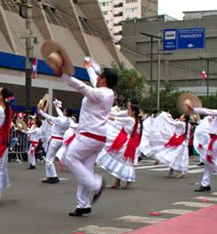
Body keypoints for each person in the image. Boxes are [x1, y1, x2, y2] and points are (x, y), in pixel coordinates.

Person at [61, 61, 117, 217]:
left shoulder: (100, 94)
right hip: (97, 138)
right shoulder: (107, 92)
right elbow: (93, 81)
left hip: (88, 136)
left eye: (101, 76)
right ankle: (83, 204)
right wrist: (89, 68)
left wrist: (65, 76)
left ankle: (96, 184)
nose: (98, 77)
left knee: (70, 158)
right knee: (85, 170)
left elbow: (83, 87)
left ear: (104, 80)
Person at [97, 102, 141, 189]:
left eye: (129, 109)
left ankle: (126, 181)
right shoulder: (135, 119)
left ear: (133, 112)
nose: (127, 111)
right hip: (129, 142)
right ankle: (118, 182)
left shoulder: (130, 119)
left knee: (124, 162)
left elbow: (114, 118)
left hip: (126, 143)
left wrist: (102, 115)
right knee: (123, 162)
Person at [39, 100, 72, 184]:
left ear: (66, 112)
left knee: (48, 159)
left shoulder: (60, 120)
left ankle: (54, 176)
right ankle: (49, 176)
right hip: (60, 140)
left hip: (55, 140)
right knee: (49, 159)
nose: (63, 111)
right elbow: (60, 114)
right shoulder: (68, 120)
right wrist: (56, 107)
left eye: (64, 110)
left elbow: (49, 117)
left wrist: (40, 111)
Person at [153, 114, 190, 179]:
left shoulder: (181, 123)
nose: (180, 116)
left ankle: (181, 172)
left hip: (180, 143)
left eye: (182, 116)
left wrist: (165, 116)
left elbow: (171, 122)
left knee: (175, 156)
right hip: (180, 142)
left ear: (184, 119)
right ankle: (171, 171)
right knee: (175, 157)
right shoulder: (186, 124)